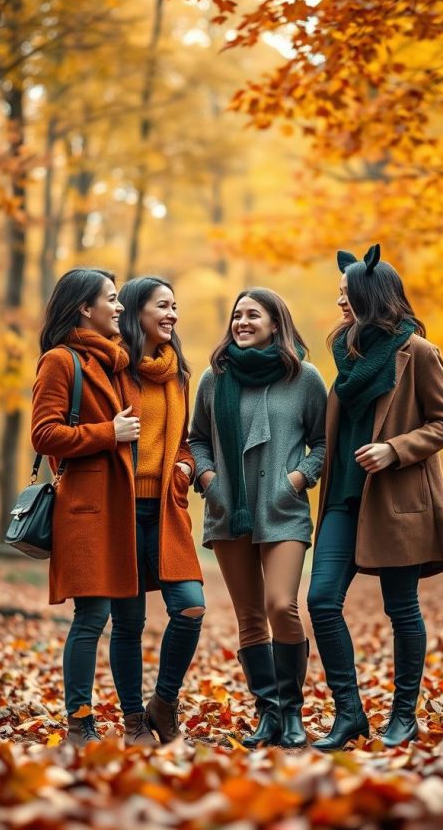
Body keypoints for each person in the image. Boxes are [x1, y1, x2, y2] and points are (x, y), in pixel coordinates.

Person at [307, 245, 443, 751]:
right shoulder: (344, 355)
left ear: (371, 295)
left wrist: (395, 450)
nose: (339, 304)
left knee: (402, 609)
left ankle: (403, 715)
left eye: (346, 295)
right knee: (322, 601)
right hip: (342, 500)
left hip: (395, 501)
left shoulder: (416, 352)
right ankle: (349, 714)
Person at [189, 287, 327, 749]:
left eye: (253, 315)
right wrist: (209, 479)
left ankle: (293, 713)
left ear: (275, 323)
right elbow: (198, 439)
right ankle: (267, 715)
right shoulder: (214, 378)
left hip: (283, 508)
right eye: (236, 315)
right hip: (230, 509)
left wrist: (299, 478)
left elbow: (324, 442)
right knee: (249, 616)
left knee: (280, 605)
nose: (242, 322)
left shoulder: (304, 378)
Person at [31, 268, 141, 746]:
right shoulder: (60, 361)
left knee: (115, 618)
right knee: (91, 617)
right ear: (84, 307)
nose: (119, 308)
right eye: (112, 299)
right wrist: (108, 434)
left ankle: (120, 718)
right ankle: (79, 722)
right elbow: (44, 434)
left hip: (118, 505)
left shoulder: (113, 362)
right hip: (84, 508)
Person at [109, 276, 205, 747]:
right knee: (127, 622)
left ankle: (163, 705)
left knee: (190, 606)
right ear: (135, 311)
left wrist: (185, 468)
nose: (171, 314)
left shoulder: (178, 374)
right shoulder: (113, 370)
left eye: (174, 306)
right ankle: (132, 720)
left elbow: (184, 443)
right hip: (119, 510)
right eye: (161, 306)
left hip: (167, 509)